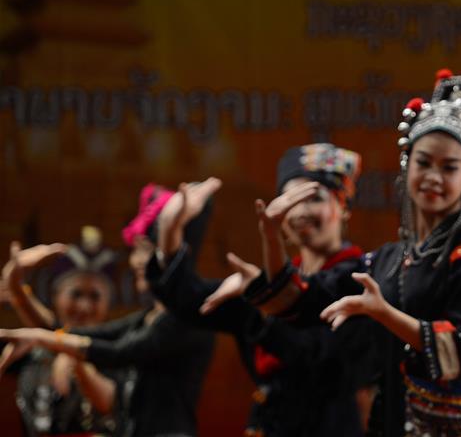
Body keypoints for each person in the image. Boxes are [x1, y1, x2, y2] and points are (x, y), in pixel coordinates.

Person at [204, 69, 461, 436]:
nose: (433, 177)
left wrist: (385, 314)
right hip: (393, 420)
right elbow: (300, 301)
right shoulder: (388, 260)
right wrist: (271, 238)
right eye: (423, 162)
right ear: (406, 164)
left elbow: (460, 351)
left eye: (449, 168)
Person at [146, 145, 375, 437]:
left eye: (314, 198)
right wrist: (169, 228)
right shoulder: (265, 283)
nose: (301, 211)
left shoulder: (359, 278)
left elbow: (321, 363)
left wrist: (266, 305)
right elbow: (189, 300)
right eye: (291, 200)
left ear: (343, 208)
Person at [0, 186, 216, 437]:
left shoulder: (185, 318)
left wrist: (55, 344)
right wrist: (16, 287)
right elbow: (69, 333)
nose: (135, 261)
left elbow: (117, 352)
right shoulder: (146, 319)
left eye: (144, 250)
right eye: (136, 250)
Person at [1, 227, 120, 436]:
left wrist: (75, 359)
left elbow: (107, 403)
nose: (84, 307)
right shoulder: (33, 347)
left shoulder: (120, 349)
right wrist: (14, 283)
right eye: (76, 294)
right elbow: (48, 330)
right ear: (55, 296)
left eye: (95, 297)